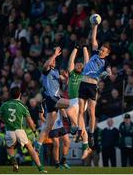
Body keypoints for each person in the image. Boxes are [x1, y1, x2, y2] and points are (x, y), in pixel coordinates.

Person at [77, 24, 112, 159]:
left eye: (104, 51)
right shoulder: (96, 52)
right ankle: (81, 130)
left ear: (107, 53)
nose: (101, 51)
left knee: (91, 112)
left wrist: (107, 73)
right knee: (81, 110)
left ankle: (91, 135)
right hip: (83, 83)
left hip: (92, 86)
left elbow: (108, 71)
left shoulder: (106, 62)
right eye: (101, 49)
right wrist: (95, 26)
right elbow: (93, 39)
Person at [0, 86, 47, 173]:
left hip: (9, 131)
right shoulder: (22, 106)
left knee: (10, 148)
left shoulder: (4, 105)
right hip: (19, 130)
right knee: (30, 148)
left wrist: (6, 121)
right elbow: (30, 121)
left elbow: (1, 117)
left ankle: (14, 162)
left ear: (10, 95)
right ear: (20, 95)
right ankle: (41, 168)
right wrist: (34, 130)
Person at [35, 47, 69, 152]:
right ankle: (70, 122)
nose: (53, 62)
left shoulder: (56, 71)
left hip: (55, 99)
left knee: (48, 126)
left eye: (54, 61)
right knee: (70, 104)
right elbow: (46, 65)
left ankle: (38, 144)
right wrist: (54, 54)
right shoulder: (46, 71)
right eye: (52, 60)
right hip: (51, 97)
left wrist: (67, 78)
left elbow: (64, 81)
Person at [66, 46, 89, 134]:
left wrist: (85, 48)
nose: (79, 65)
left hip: (80, 99)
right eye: (77, 64)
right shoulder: (72, 73)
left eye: (81, 64)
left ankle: (78, 128)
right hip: (73, 100)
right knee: (75, 121)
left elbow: (87, 61)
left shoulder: (84, 74)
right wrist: (75, 48)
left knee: (69, 111)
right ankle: (84, 139)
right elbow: (70, 61)